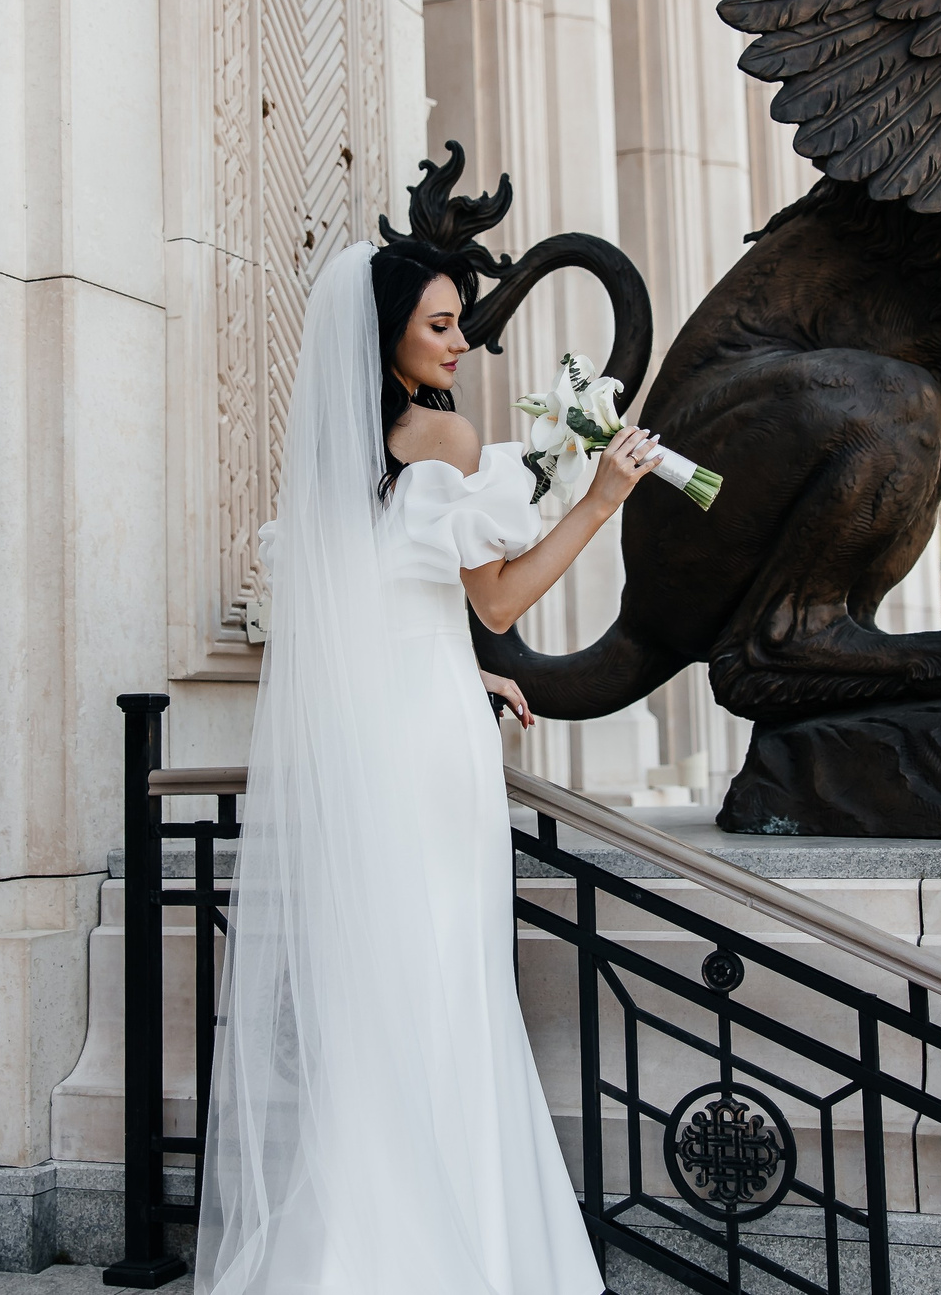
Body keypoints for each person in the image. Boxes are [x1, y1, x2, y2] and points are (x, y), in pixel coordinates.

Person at [195, 235, 660, 1294]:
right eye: (440, 324)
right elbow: (496, 602)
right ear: (389, 333)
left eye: (459, 322)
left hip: (372, 744)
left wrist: (468, 673)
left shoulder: (332, 457)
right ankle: (463, 1255)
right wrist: (598, 498)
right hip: (428, 755)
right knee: (448, 990)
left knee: (380, 995)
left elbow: (374, 606)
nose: (462, 342)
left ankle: (354, 1249)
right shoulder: (444, 437)